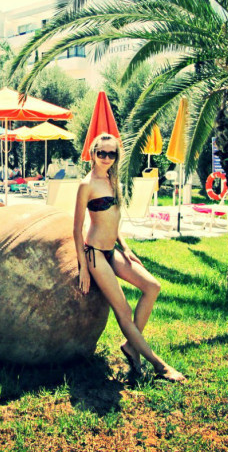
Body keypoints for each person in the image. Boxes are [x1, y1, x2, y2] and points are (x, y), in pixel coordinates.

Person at [73, 133, 185, 382]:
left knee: (152, 287)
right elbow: (77, 228)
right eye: (101, 153)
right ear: (93, 153)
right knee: (123, 311)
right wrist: (83, 267)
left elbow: (114, 221)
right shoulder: (86, 184)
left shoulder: (113, 180)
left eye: (111, 153)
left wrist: (126, 248)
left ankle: (131, 346)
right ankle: (159, 365)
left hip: (113, 251)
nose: (106, 158)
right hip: (95, 255)